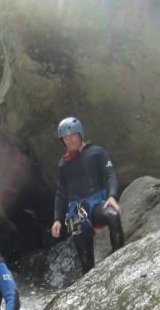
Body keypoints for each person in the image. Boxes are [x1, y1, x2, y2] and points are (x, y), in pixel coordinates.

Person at [51, 117, 125, 274]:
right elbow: (61, 193)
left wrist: (112, 196)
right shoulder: (63, 164)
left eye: (73, 136)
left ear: (80, 134)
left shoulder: (97, 152)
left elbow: (110, 174)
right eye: (65, 138)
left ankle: (121, 261)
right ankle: (89, 275)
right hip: (77, 209)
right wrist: (57, 219)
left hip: (97, 202)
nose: (70, 140)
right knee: (82, 241)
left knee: (113, 215)